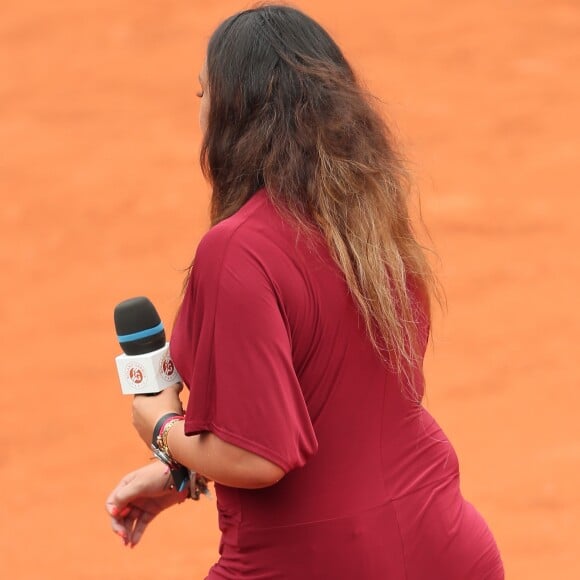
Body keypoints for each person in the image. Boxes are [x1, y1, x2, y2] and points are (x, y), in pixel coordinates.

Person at [105, 5, 504, 579]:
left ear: (234, 112)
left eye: (203, 96)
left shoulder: (236, 248)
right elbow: (337, 408)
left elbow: (259, 456)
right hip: (446, 547)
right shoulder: (367, 225)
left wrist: (163, 429)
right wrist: (184, 474)